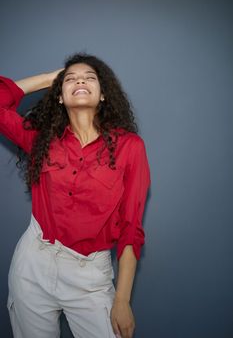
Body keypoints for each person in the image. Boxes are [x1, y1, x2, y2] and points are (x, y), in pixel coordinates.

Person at [0, 53, 150, 338]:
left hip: (89, 276)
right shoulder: (41, 138)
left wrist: (121, 300)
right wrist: (50, 78)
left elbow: (131, 228)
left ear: (104, 94)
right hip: (33, 265)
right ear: (59, 95)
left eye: (89, 77)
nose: (80, 79)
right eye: (70, 79)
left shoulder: (131, 147)